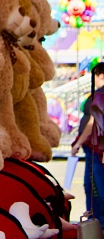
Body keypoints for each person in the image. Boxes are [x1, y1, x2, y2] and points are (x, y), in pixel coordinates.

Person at [71, 61, 104, 229]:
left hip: (96, 149)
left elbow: (92, 123)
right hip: (95, 149)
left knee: (95, 189)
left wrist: (78, 143)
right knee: (93, 187)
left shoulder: (99, 95)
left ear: (101, 76)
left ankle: (98, 224)